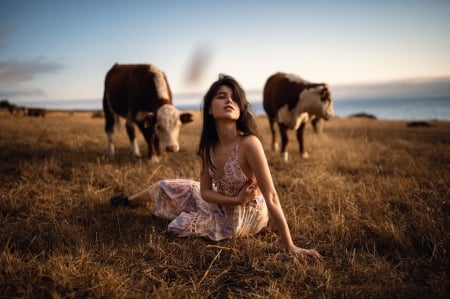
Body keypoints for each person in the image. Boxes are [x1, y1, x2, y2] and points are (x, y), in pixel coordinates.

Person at [110, 74, 323, 260]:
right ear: (210, 109)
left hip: (245, 214)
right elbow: (205, 192)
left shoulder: (249, 143)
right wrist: (234, 199)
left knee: (176, 227)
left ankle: (188, 211)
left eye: (234, 99)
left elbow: (272, 197)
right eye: (221, 96)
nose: (229, 100)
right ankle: (128, 201)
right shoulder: (207, 147)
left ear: (240, 110)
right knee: (165, 185)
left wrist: (291, 246)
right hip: (225, 200)